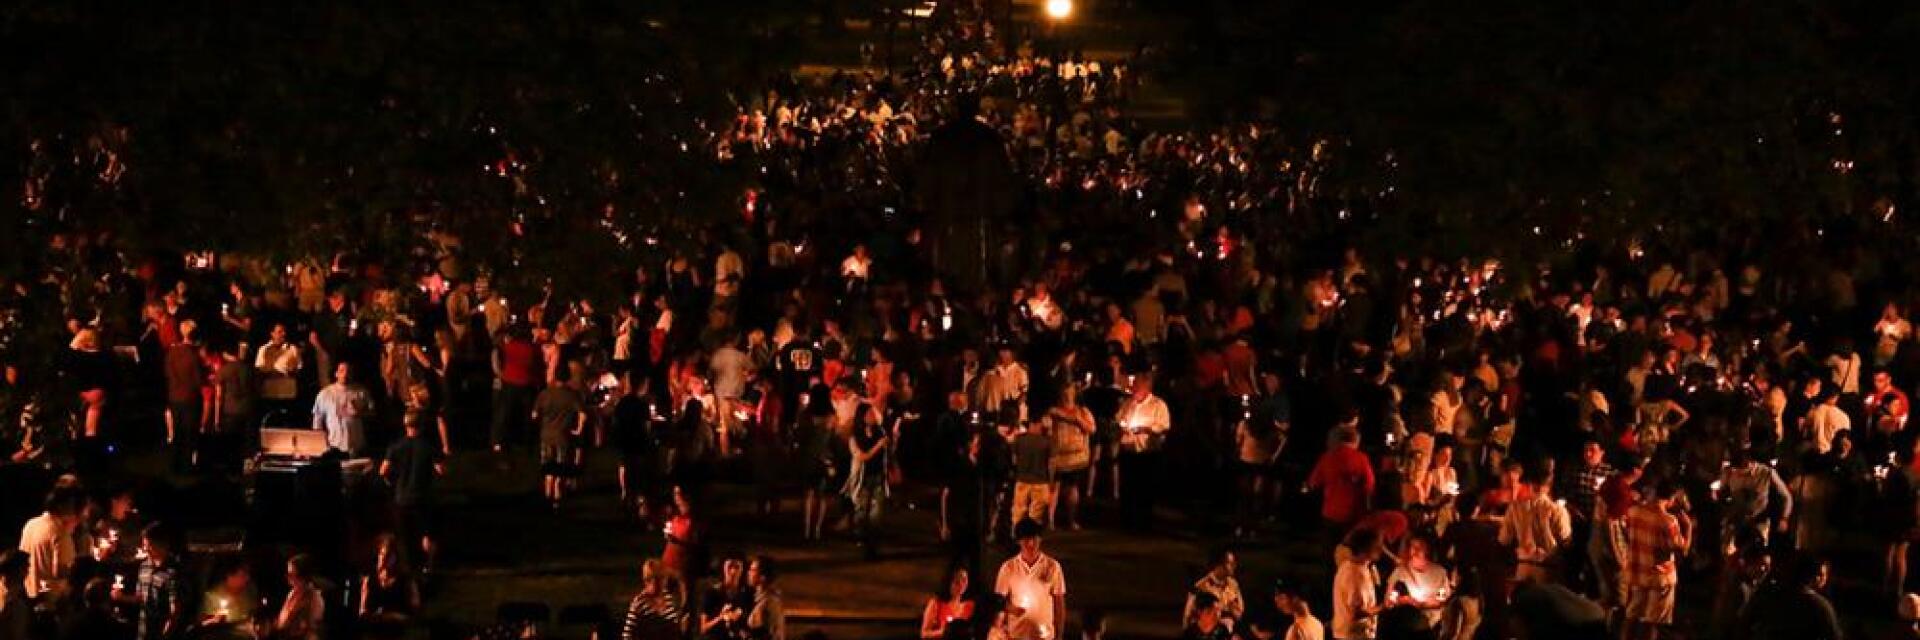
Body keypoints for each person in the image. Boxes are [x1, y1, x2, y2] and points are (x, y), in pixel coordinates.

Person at [1622, 480, 1691, 640]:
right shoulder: (1668, 521)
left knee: (1631, 616)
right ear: (1672, 497)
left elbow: (1628, 535)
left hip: (1637, 572)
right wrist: (1688, 528)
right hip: (1660, 578)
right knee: (1653, 622)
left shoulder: (1633, 511)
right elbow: (1683, 549)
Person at [381, 413, 445, 573]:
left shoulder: (395, 447)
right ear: (421, 426)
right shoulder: (428, 446)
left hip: (402, 498)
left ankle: (407, 567)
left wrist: (392, 482)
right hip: (423, 497)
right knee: (427, 533)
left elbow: (383, 471)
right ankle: (428, 566)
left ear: (405, 425)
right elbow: (441, 470)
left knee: (404, 536)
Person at [1737, 556, 1843, 640]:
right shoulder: (1820, 606)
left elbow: (1744, 624)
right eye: (1823, 575)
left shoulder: (1769, 595)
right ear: (1817, 577)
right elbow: (1834, 635)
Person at [995, 520, 1067, 640]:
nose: (1031, 544)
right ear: (1019, 541)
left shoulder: (1052, 567)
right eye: (1026, 540)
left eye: (1035, 539)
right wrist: (1011, 609)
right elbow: (997, 602)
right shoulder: (1008, 568)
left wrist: (1059, 635)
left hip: (1045, 637)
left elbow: (1059, 604)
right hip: (1016, 636)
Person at [1499, 466, 1571, 583]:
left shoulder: (1515, 507)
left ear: (1530, 485)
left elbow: (1504, 540)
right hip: (1548, 570)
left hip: (1523, 568)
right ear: (1549, 486)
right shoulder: (1557, 510)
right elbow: (1566, 540)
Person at [18, 485, 84, 602]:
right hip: (53, 601)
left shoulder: (30, 524)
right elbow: (59, 571)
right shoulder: (60, 533)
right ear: (63, 507)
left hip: (29, 597)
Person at [533, 369, 587, 510]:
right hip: (563, 436)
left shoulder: (545, 394)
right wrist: (578, 429)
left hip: (546, 435)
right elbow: (583, 414)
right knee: (560, 467)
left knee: (547, 467)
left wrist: (541, 423)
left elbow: (534, 414)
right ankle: (557, 499)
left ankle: (547, 496)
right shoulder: (572, 395)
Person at [123, 523, 184, 640]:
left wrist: (165, 635)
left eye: (149, 545)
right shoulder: (144, 567)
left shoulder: (173, 573)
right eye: (144, 545)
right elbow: (141, 597)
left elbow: (175, 612)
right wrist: (121, 597)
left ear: (163, 545)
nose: (145, 549)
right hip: (142, 633)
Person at [1308, 428, 1375, 533]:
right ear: (1355, 441)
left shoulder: (1327, 457)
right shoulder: (1362, 458)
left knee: (1329, 546)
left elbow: (1313, 483)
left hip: (1330, 512)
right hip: (1353, 513)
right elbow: (1370, 485)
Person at [1383, 536, 1450, 640]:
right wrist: (1402, 601)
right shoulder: (1400, 571)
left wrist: (1424, 604)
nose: (1413, 551)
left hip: (1433, 625)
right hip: (1407, 626)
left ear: (1427, 549)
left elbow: (1442, 599)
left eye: (1419, 547)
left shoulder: (1440, 572)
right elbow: (1388, 601)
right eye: (1412, 547)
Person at [1047, 386, 1094, 530]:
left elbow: (1091, 429)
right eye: (1064, 393)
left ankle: (1071, 519)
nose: (1066, 396)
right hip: (1056, 456)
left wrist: (1077, 419)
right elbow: (1046, 425)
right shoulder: (1053, 411)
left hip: (1075, 457)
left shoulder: (1082, 411)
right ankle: (1050, 520)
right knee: (1053, 488)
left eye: (1069, 393)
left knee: (1072, 487)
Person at [312, 362, 373, 455]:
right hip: (334, 445)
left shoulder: (361, 392)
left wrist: (360, 413)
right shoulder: (325, 394)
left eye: (348, 372)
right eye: (341, 371)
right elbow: (317, 420)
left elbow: (372, 413)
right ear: (336, 374)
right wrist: (320, 443)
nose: (345, 374)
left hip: (357, 446)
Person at [1332, 528, 1383, 640]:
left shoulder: (1354, 566)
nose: (1381, 549)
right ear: (1366, 548)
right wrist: (1384, 607)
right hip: (1354, 636)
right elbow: (1356, 613)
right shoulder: (1355, 576)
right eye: (1378, 545)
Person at [622, 559, 686, 640]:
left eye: (664, 579)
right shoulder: (640, 602)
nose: (663, 583)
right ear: (648, 580)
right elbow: (627, 635)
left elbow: (673, 628)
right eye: (659, 579)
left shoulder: (667, 597)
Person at [1010, 418, 1054, 533]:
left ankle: (1016, 534)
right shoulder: (1047, 441)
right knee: (1036, 513)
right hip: (1040, 480)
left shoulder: (1019, 439)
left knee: (1018, 510)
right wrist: (1051, 481)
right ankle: (1032, 535)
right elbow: (1051, 464)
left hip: (1022, 479)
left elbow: (1014, 460)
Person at [1182, 549, 1243, 631]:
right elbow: (1188, 615)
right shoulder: (1201, 586)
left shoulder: (1233, 584)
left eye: (1234, 563)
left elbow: (1240, 612)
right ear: (1218, 565)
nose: (1234, 566)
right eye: (1230, 563)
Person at [255, 323, 304, 421]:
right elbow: (258, 370)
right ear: (272, 334)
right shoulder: (263, 349)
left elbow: (300, 369)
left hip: (288, 394)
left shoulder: (292, 348)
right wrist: (271, 373)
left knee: (287, 421)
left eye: (284, 331)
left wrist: (290, 373)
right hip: (270, 393)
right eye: (279, 332)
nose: (283, 334)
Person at [272, 554, 326, 640]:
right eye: (287, 573)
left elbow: (313, 629)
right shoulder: (292, 593)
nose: (287, 576)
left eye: (291, 573)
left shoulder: (314, 598)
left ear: (302, 575)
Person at [698, 556, 753, 640]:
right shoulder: (712, 593)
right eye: (729, 566)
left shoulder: (746, 594)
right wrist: (721, 617)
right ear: (723, 568)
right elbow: (703, 628)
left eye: (737, 567)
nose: (733, 571)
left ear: (742, 570)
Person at [921, 567, 976, 640]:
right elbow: (924, 634)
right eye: (956, 580)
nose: (960, 584)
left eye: (964, 579)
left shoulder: (970, 605)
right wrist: (943, 632)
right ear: (949, 581)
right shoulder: (936, 603)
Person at [746, 556, 785, 640]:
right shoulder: (761, 599)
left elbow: (773, 634)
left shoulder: (769, 602)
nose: (748, 573)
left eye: (753, 570)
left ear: (762, 577)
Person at [0, 551, 29, 640]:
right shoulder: (9, 598)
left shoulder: (16, 589)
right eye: (27, 566)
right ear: (19, 569)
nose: (28, 570)